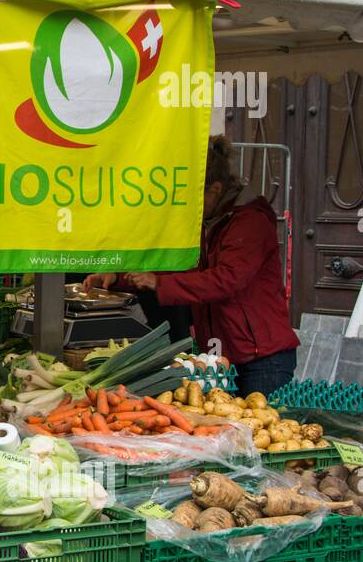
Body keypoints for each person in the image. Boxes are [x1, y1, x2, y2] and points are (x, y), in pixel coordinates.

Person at [85, 136, 299, 396]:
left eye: (192, 198)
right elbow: (186, 267)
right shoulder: (211, 222)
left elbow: (226, 280)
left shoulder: (250, 222)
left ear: (215, 190)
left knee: (258, 430)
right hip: (222, 352)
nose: (187, 207)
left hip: (262, 358)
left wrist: (158, 283)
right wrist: (120, 277)